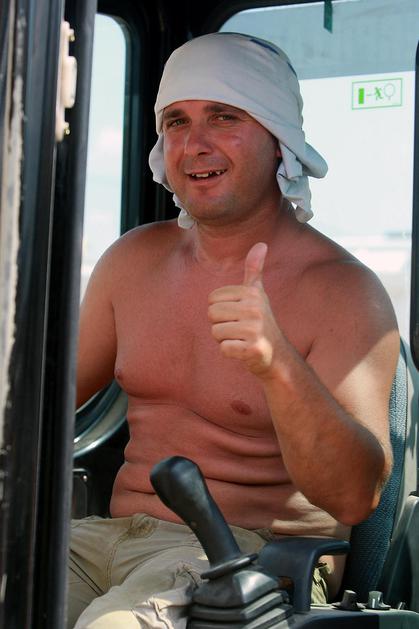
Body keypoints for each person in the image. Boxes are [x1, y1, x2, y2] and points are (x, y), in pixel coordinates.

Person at [69, 32, 399, 628]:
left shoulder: (343, 290)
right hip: (106, 540)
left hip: (251, 558)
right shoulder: (131, 261)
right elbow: (41, 401)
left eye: (224, 116)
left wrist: (276, 363)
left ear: (278, 139)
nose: (194, 143)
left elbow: (355, 497)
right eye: (176, 121)